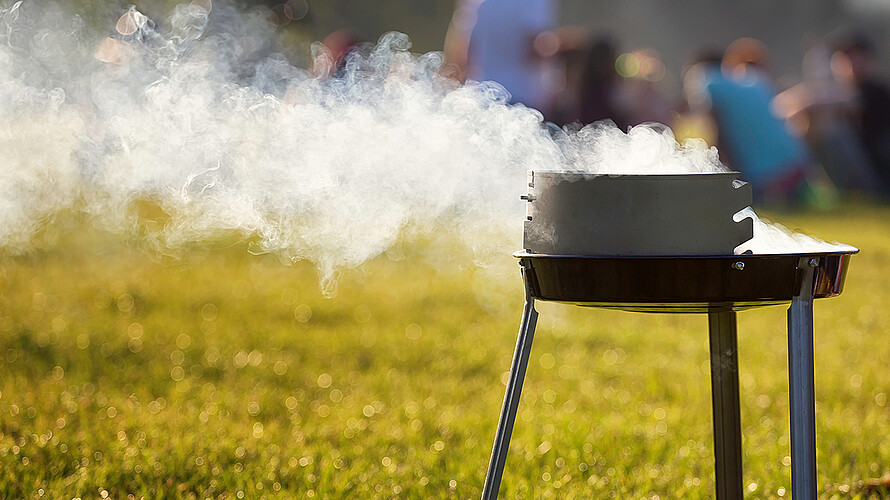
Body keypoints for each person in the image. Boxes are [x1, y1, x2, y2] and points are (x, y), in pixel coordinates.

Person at [686, 39, 816, 205]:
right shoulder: (755, 80)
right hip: (799, 166)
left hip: (767, 179)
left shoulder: (705, 80)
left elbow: (717, 134)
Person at [444, 0, 558, 115]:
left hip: (482, 94)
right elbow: (534, 49)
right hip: (522, 97)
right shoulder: (535, 2)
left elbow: (462, 55)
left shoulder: (479, 3)